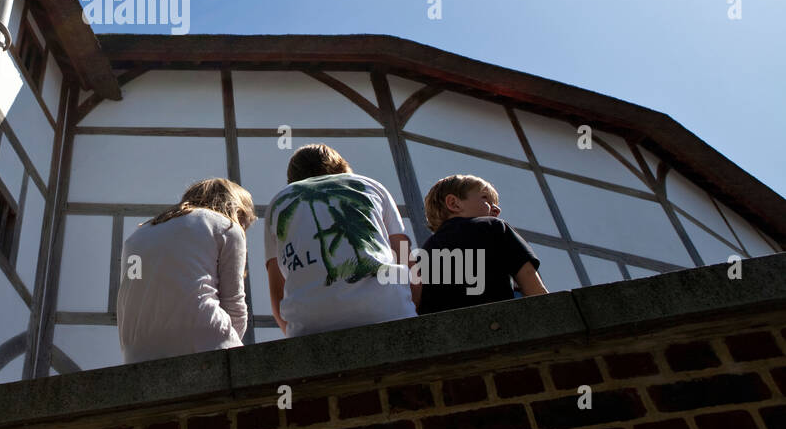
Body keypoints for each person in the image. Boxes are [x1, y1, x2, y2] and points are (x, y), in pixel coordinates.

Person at [265, 144, 414, 337]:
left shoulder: (279, 202)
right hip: (390, 311)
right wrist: (409, 308)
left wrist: (295, 334)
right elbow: (405, 258)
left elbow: (276, 290)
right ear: (341, 166)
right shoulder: (369, 186)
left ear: (292, 177)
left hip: (309, 326)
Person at [117, 178, 255, 364]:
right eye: (244, 222)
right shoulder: (227, 226)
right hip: (206, 342)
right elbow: (234, 305)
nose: (243, 228)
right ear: (237, 210)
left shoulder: (136, 235)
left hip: (136, 354)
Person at [415, 174, 548, 314]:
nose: (497, 209)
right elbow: (531, 284)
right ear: (454, 203)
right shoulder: (495, 227)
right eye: (486, 199)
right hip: (499, 322)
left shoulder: (423, 255)